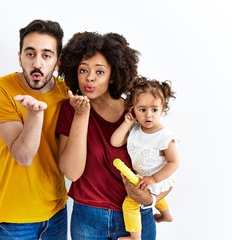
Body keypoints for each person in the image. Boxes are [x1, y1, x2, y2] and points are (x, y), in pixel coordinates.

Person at [56, 31, 169, 240]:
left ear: (112, 76)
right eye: (83, 70)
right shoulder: (69, 110)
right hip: (88, 217)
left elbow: (163, 160)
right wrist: (82, 114)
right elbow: (72, 173)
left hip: (134, 218)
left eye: (99, 72)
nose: (89, 77)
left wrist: (149, 200)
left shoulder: (136, 110)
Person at [0, 19, 69, 240]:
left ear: (57, 62)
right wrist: (35, 113)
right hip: (15, 219)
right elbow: (23, 156)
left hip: (57, 212)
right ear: (19, 57)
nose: (37, 63)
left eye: (46, 55)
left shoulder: (66, 92)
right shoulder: (0, 89)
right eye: (30, 54)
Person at [110, 76, 179, 240]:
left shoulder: (164, 137)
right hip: (144, 177)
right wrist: (126, 124)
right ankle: (166, 215)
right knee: (154, 198)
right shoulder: (135, 129)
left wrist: (153, 179)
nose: (148, 115)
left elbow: (174, 162)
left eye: (154, 110)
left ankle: (135, 237)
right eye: (142, 110)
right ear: (133, 109)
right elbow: (115, 141)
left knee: (130, 204)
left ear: (163, 109)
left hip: (159, 178)